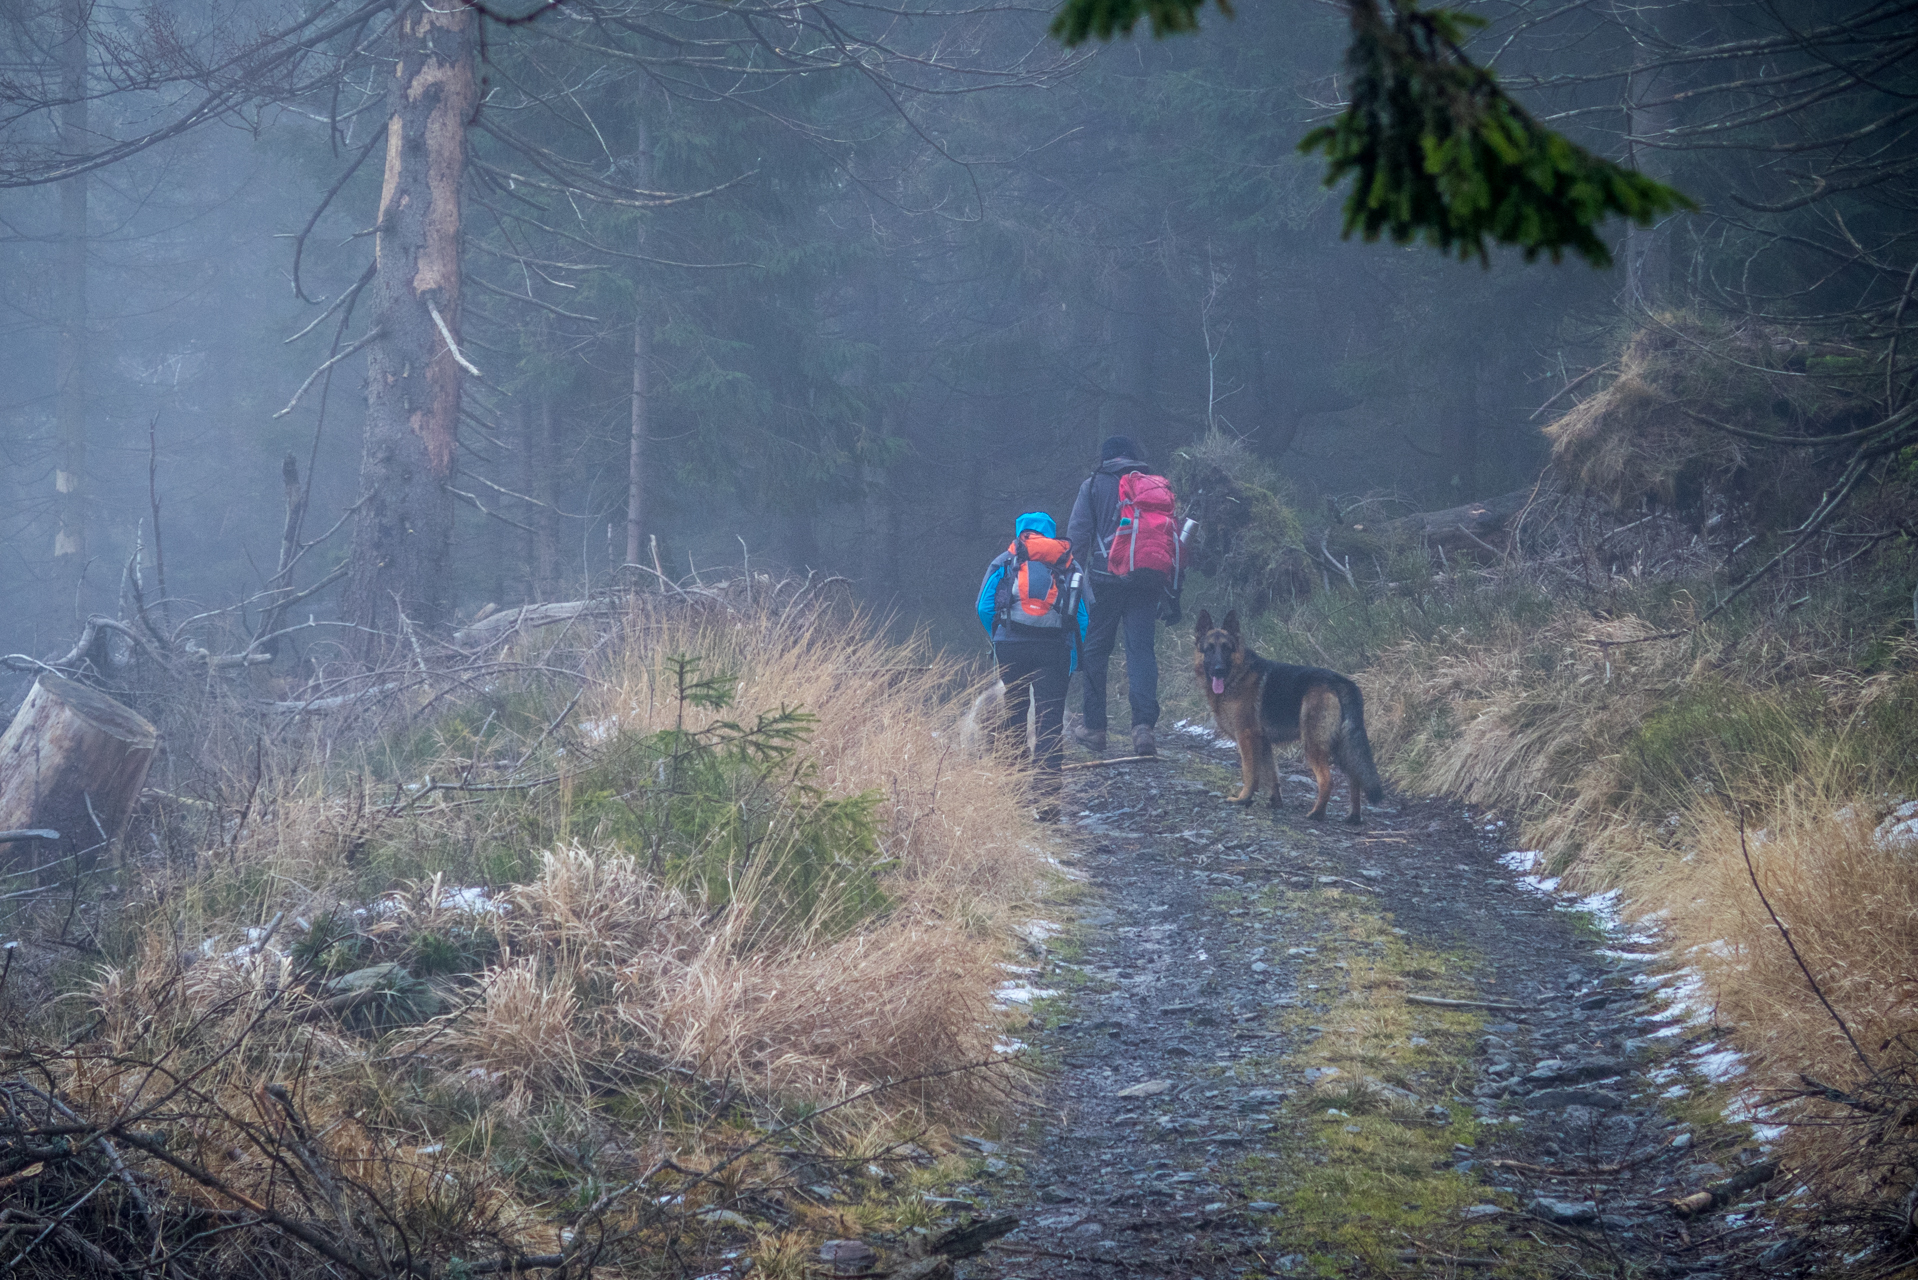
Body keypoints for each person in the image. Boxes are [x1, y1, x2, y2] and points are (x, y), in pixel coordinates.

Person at [1066, 435, 1180, 757]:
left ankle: (1095, 728)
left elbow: (1077, 539)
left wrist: (1073, 583)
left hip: (1105, 580)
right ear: (1132, 456)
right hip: (1147, 579)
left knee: (1096, 651)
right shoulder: (1155, 485)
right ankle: (1143, 729)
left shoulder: (1092, 486)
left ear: (1106, 458)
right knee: (1141, 651)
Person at [976, 511, 1086, 822]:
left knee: (1013, 717)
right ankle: (1048, 803)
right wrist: (1074, 658)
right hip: (1055, 650)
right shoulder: (1067, 562)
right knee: (1049, 723)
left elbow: (983, 606)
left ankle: (1013, 796)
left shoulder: (1005, 560)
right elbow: (1082, 618)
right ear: (1051, 532)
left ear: (1020, 531)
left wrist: (997, 639)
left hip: (1012, 646)